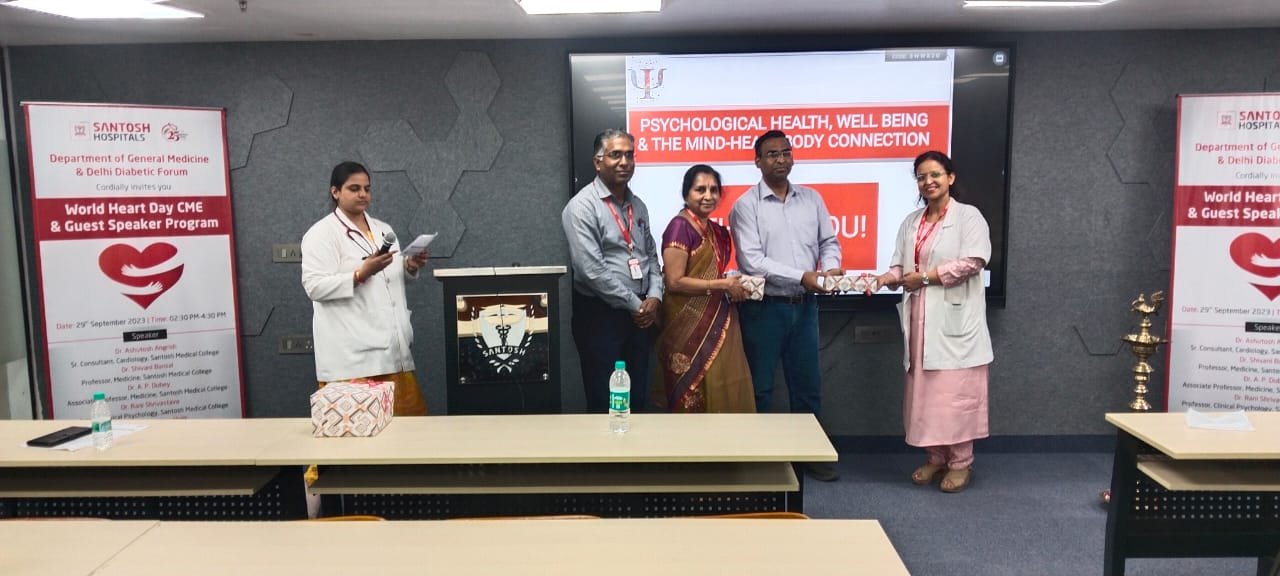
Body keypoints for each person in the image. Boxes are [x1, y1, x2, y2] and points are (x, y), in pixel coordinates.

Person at [870, 150, 993, 493]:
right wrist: (888, 277)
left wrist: (925, 277)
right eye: (922, 177)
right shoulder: (912, 221)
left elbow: (974, 261)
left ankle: (961, 463)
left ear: (950, 177)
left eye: (935, 174)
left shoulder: (969, 217)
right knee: (927, 397)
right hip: (920, 321)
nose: (928, 182)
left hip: (956, 322)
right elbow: (900, 264)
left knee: (955, 396)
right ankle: (936, 457)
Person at [729, 130, 843, 481]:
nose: (781, 159)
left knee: (807, 385)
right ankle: (760, 458)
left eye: (786, 153)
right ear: (757, 161)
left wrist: (831, 268)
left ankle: (809, 455)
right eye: (772, 154)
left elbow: (829, 242)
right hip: (764, 309)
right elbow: (752, 261)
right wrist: (803, 276)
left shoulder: (812, 199)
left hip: (805, 308)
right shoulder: (745, 205)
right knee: (760, 388)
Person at [301, 161, 431, 416]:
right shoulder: (321, 234)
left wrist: (409, 266)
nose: (363, 194)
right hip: (352, 362)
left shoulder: (384, 230)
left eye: (367, 189)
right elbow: (315, 287)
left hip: (393, 353)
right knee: (357, 434)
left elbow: (389, 280)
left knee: (409, 433)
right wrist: (360, 274)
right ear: (335, 192)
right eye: (354, 188)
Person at [562, 129, 662, 413]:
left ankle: (635, 445)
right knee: (604, 398)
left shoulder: (638, 205)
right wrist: (635, 304)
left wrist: (655, 296)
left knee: (637, 394)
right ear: (597, 162)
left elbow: (650, 256)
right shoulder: (581, 207)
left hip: (640, 314)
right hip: (601, 315)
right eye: (615, 155)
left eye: (630, 155)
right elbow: (590, 271)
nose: (624, 162)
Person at [655, 164, 755, 413]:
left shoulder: (717, 232)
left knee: (722, 384)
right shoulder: (679, 227)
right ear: (686, 193)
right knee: (690, 391)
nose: (708, 196)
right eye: (700, 189)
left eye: (713, 190)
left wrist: (734, 284)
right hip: (686, 324)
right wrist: (722, 284)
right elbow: (674, 281)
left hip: (718, 319)